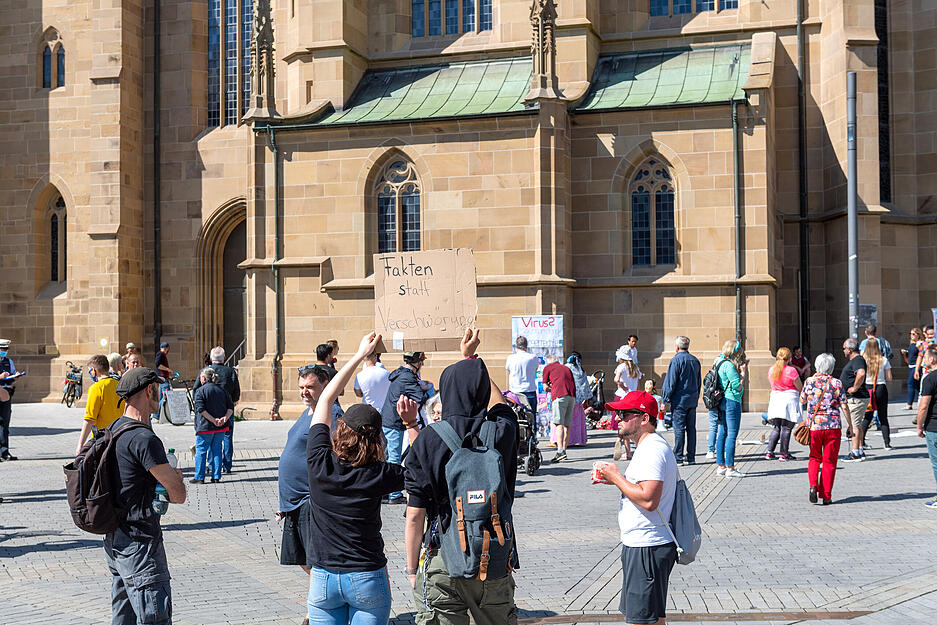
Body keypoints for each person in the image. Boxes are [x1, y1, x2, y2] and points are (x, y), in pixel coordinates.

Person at [404, 328, 519, 625]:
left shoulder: (429, 439)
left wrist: (412, 569)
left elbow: (415, 515)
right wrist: (472, 359)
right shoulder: (502, 430)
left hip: (445, 556)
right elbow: (502, 406)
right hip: (493, 556)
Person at [303, 332, 411, 625]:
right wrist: (412, 423)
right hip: (366, 576)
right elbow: (422, 468)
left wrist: (359, 356)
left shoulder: (319, 461)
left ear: (341, 430)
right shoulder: (380, 474)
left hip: (323, 578)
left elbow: (326, 398)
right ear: (377, 439)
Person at [106, 367, 186, 625]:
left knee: (124, 619)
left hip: (116, 540)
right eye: (159, 389)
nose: (161, 394)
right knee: (154, 618)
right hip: (141, 545)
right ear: (150, 390)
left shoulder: (114, 429)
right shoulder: (144, 439)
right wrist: (176, 477)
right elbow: (177, 495)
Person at [594, 391, 677, 625]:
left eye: (625, 413)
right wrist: (613, 479)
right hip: (646, 545)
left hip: (647, 546)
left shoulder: (652, 449)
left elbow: (649, 500)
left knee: (640, 621)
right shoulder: (648, 446)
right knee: (653, 619)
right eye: (618, 413)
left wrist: (616, 477)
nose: (618, 418)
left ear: (644, 419)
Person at [277, 365, 331, 586]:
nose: (304, 392)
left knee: (315, 561)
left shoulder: (329, 414)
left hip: (310, 500)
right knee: (301, 559)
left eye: (310, 386)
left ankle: (319, 608)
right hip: (293, 502)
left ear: (325, 386)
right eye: (301, 387)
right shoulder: (308, 411)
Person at [800, 353, 849, 505]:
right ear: (832, 367)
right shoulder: (836, 383)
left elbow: (802, 400)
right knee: (829, 461)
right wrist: (851, 425)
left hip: (814, 425)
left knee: (814, 457)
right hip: (833, 426)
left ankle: (813, 486)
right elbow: (844, 406)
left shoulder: (809, 381)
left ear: (816, 366)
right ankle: (826, 495)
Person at [379, 351, 428, 503]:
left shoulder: (401, 374)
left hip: (388, 419)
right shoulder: (408, 377)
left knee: (388, 456)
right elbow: (421, 397)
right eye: (421, 362)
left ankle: (385, 489)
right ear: (417, 363)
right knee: (394, 456)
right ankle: (393, 494)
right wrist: (427, 388)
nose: (422, 365)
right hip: (393, 421)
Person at [192, 346, 241, 474]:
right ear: (224, 358)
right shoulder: (230, 372)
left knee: (208, 442)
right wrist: (232, 403)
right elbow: (236, 391)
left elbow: (195, 389)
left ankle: (210, 465)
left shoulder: (205, 371)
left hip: (207, 414)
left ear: (211, 358)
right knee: (226, 439)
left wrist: (199, 404)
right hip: (226, 412)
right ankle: (227, 465)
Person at [660, 335, 701, 466]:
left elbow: (670, 382)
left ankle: (678, 457)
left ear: (677, 347)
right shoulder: (695, 360)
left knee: (679, 429)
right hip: (692, 399)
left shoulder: (676, 361)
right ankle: (691, 457)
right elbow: (698, 382)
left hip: (679, 400)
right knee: (691, 429)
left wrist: (664, 400)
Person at [191, 367, 234, 484]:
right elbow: (230, 407)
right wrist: (224, 418)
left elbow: (201, 409)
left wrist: (213, 420)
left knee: (201, 451)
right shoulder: (222, 390)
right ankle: (216, 476)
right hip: (221, 427)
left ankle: (199, 477)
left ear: (204, 378)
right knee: (217, 450)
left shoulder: (200, 391)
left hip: (205, 427)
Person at [711, 340, 747, 478]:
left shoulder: (718, 361)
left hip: (722, 401)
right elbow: (737, 386)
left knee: (723, 432)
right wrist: (743, 373)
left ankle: (721, 466)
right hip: (732, 400)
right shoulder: (729, 366)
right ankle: (731, 468)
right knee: (732, 434)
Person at [75, 355, 124, 456]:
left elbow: (89, 419)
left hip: (103, 439)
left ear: (93, 370)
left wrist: (80, 446)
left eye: (90, 371)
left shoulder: (96, 388)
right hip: (120, 435)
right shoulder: (119, 384)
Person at [764, 347, 803, 461]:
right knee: (786, 428)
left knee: (776, 427)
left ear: (777, 357)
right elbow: (799, 386)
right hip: (789, 399)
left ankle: (770, 452)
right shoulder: (791, 370)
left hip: (776, 398)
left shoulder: (772, 369)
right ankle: (784, 453)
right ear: (789, 358)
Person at [550, 352, 589, 448]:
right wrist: (585, 398)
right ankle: (575, 440)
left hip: (564, 394)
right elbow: (585, 385)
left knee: (560, 419)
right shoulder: (580, 370)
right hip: (576, 398)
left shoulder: (564, 367)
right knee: (573, 421)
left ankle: (557, 440)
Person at [840, 338, 869, 462]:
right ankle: (860, 449)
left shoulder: (858, 360)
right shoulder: (856, 360)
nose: (844, 351)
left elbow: (861, 373)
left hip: (856, 398)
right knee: (858, 424)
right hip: (857, 398)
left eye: (844, 348)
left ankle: (855, 452)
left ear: (850, 349)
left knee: (855, 425)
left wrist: (855, 387)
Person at [543, 354, 576, 462]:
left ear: (549, 362)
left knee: (559, 424)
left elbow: (545, 387)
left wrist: (551, 388)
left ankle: (560, 450)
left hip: (559, 396)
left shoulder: (548, 368)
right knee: (567, 425)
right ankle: (564, 451)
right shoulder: (566, 368)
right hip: (571, 397)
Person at [861, 339, 893, 450]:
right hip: (880, 388)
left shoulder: (863, 361)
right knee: (883, 415)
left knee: (867, 416)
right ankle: (887, 443)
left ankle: (862, 441)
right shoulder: (883, 360)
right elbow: (889, 378)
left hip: (867, 388)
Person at [916, 347, 937, 510]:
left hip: (934, 427)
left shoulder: (930, 379)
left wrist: (919, 426)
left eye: (925, 357)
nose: (924, 360)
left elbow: (923, 406)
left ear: (932, 360)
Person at [505, 335, 540, 416]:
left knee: (514, 417)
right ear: (526, 346)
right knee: (531, 417)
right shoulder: (533, 357)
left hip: (515, 391)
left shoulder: (511, 358)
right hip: (529, 390)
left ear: (516, 346)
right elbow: (536, 368)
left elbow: (508, 369)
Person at [0, 338, 19, 461]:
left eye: (6, 349)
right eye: (2, 349)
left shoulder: (8, 361)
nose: (4, 352)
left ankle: (4, 452)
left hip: (5, 394)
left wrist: (15, 376)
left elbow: (12, 375)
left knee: (5, 424)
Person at [152, 341, 174, 421]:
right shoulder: (160, 354)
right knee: (165, 397)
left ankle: (155, 415)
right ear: (166, 348)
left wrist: (169, 375)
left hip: (163, 378)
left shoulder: (161, 354)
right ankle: (156, 415)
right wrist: (168, 369)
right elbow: (158, 365)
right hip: (163, 379)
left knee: (160, 397)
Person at [902, 328, 923, 410]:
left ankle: (909, 404)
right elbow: (909, 357)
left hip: (916, 366)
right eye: (910, 334)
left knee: (910, 384)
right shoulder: (912, 344)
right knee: (917, 385)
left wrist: (919, 348)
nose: (911, 335)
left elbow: (922, 354)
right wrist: (905, 353)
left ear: (918, 335)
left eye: (913, 334)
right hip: (911, 366)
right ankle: (923, 399)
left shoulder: (920, 344)